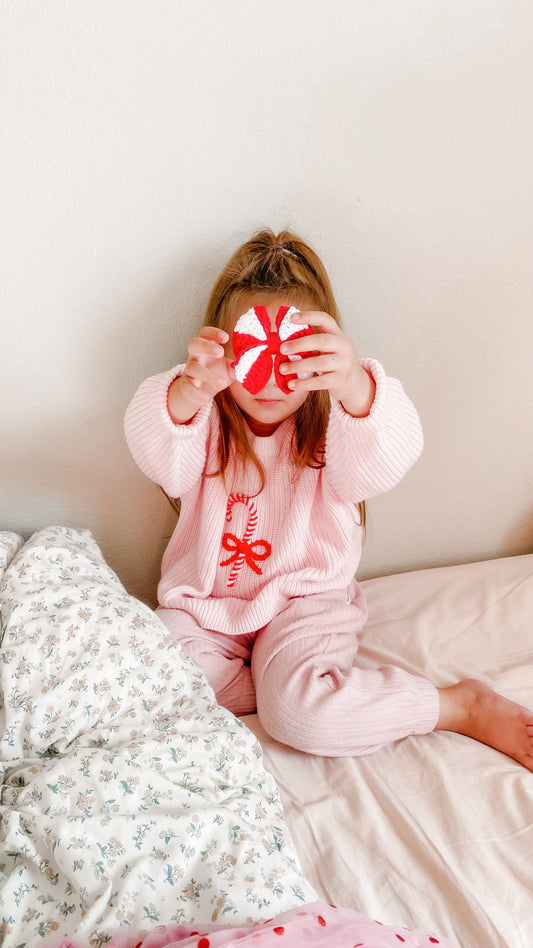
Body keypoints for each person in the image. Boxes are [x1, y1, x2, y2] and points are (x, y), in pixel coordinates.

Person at [125, 228, 533, 770]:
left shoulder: (336, 423)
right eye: (257, 354)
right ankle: (282, 688)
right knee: (148, 682)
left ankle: (456, 704)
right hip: (207, 609)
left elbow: (386, 459)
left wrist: (355, 388)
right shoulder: (205, 416)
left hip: (305, 604)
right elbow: (161, 460)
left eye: (290, 357)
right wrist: (186, 393)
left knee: (302, 715)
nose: (271, 380)